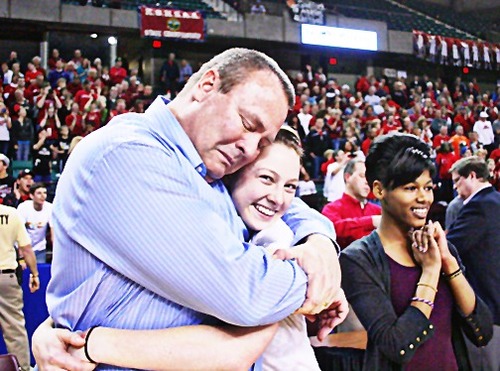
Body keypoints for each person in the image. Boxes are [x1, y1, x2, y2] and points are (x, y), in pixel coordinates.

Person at [34, 48, 344, 370]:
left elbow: (275, 199)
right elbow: (250, 296)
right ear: (206, 86)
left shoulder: (208, 167)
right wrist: (318, 278)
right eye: (248, 124)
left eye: (262, 142)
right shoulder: (129, 154)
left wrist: (318, 241)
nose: (250, 148)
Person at [340, 133, 493, 370]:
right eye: (411, 188)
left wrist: (448, 263)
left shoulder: (440, 248)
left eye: (428, 187)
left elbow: (482, 330)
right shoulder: (357, 259)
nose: (424, 198)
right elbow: (397, 345)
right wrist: (430, 272)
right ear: (379, 190)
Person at [447, 156, 500, 370]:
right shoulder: (495, 200)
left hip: (485, 304)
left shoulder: (478, 206)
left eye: (457, 180)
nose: (454, 186)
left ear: (471, 176)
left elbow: (451, 247)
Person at [0, 203, 40, 371]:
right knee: (14, 328)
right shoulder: (11, 214)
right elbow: (26, 249)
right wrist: (35, 274)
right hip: (5, 276)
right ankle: (22, 368)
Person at [322, 158, 381, 250]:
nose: (367, 182)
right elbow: (333, 229)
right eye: (362, 176)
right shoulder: (332, 209)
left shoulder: (378, 211)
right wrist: (370, 222)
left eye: (370, 178)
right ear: (347, 177)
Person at [17, 183, 53, 264]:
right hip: (24, 248)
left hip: (40, 249)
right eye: (39, 193)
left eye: (45, 193)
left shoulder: (50, 208)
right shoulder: (23, 207)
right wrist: (21, 257)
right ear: (31, 196)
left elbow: (53, 232)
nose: (43, 196)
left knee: (39, 274)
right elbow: (18, 232)